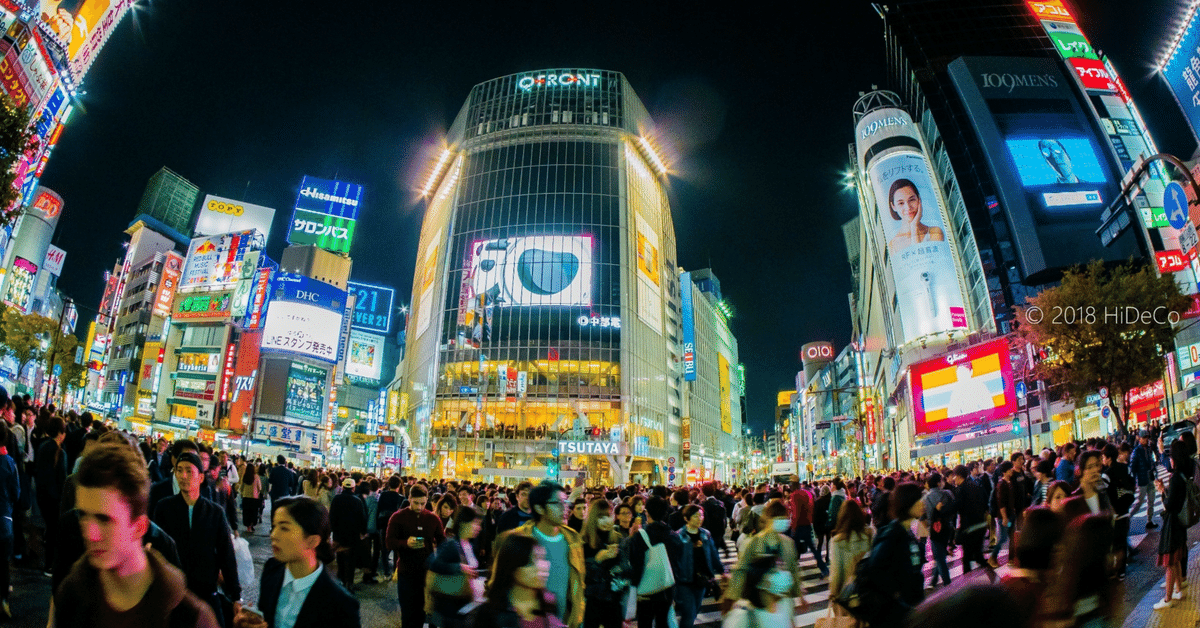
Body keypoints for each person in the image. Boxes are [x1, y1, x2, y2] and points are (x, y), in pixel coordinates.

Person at [54, 442, 219, 627]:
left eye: (105, 520)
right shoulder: (72, 597)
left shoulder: (189, 617)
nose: (90, 534)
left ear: (139, 527)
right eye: (83, 515)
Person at [231, 496, 361, 628]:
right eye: (274, 526)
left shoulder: (342, 604)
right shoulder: (273, 568)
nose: (273, 535)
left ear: (312, 541)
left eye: (284, 528)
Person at [153, 451, 241, 626]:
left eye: (189, 471)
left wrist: (235, 595)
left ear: (201, 477)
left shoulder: (215, 512)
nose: (183, 476)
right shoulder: (164, 508)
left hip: (206, 594)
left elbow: (226, 555)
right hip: (173, 594)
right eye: (179, 470)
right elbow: (156, 550)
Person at [503, 481, 585, 627]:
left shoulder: (573, 539)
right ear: (539, 508)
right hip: (526, 620)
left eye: (566, 503)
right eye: (558, 503)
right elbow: (502, 579)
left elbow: (578, 582)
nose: (565, 508)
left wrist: (578, 617)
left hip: (563, 620)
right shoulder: (521, 538)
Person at [723, 500, 808, 611]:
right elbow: (741, 570)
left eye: (785, 518)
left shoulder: (788, 543)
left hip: (784, 601)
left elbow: (793, 569)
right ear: (768, 519)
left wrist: (800, 595)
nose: (784, 521)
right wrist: (732, 598)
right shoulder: (754, 542)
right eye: (779, 518)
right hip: (760, 602)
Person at [467, 533, 564, 628]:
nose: (543, 566)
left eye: (543, 558)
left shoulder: (549, 604)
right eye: (531, 562)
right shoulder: (491, 613)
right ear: (513, 567)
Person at [862, 482, 925, 628]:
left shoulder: (907, 532)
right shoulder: (892, 534)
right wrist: (899, 603)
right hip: (895, 617)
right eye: (918, 499)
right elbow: (876, 573)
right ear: (907, 503)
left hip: (909, 611)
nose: (922, 503)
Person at [387, 484, 445, 628]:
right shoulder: (398, 517)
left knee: (421, 613)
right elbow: (389, 542)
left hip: (426, 573)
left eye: (423, 503)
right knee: (407, 613)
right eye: (416, 503)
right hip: (406, 572)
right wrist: (406, 543)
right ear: (409, 498)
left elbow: (443, 541)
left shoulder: (432, 519)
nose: (419, 507)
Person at [427, 505, 486, 628]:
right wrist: (458, 567)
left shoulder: (470, 544)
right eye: (476, 524)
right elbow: (432, 562)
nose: (479, 528)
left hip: (464, 605)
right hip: (450, 608)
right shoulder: (452, 544)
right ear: (464, 523)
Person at [627, 496, 679, 628]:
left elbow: (636, 565)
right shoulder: (673, 535)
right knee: (663, 621)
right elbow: (676, 563)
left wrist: (634, 586)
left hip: (647, 588)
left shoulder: (641, 535)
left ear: (647, 512)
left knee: (645, 621)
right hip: (667, 586)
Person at [580, 498, 630, 628]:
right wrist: (597, 560)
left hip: (613, 599)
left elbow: (628, 569)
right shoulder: (584, 541)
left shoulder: (618, 538)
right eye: (601, 517)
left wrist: (619, 567)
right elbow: (581, 575)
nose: (606, 520)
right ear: (593, 518)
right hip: (592, 600)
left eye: (608, 516)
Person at [674, 504, 725, 628]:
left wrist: (721, 570)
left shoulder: (705, 534)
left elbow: (713, 554)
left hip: (702, 580)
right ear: (686, 518)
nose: (700, 518)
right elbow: (674, 560)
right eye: (696, 516)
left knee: (694, 611)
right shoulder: (679, 536)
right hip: (685, 581)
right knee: (689, 613)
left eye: (701, 515)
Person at [1154, 440, 1191, 610]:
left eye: (1170, 455)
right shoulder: (1184, 474)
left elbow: (1169, 505)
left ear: (1175, 457)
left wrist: (1162, 491)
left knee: (1170, 562)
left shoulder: (1176, 478)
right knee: (1176, 559)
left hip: (1173, 523)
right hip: (1180, 523)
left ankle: (1168, 599)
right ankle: (1178, 590)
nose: (1169, 459)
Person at [35, 415, 68, 575]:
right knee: (54, 531)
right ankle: (49, 565)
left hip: (42, 495)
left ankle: (46, 562)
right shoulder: (59, 453)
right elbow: (62, 479)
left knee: (50, 529)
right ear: (60, 433)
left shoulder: (43, 446)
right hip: (54, 499)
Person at [720, 556, 795, 628]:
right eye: (775, 571)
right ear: (761, 581)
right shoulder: (742, 616)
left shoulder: (784, 603)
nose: (783, 574)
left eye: (782, 568)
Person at [827, 497, 872, 616]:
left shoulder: (837, 541)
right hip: (867, 591)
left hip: (847, 594)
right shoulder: (869, 533)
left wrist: (834, 594)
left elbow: (836, 572)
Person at [886, 178, 944, 255]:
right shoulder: (892, 246)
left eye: (912, 200)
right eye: (901, 203)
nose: (908, 207)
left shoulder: (935, 232)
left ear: (919, 199)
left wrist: (914, 227)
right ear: (893, 206)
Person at [948, 465, 989, 573]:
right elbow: (985, 501)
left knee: (966, 559)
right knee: (978, 556)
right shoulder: (976, 485)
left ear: (958, 476)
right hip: (981, 524)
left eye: (954, 476)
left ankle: (968, 584)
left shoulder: (960, 490)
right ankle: (992, 578)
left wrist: (941, 511)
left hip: (970, 528)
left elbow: (955, 507)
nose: (953, 479)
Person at [330, 477, 368, 591]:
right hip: (353, 535)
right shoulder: (357, 501)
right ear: (353, 488)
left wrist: (332, 531)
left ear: (343, 487)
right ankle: (349, 583)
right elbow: (362, 518)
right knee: (351, 560)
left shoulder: (336, 499)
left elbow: (331, 516)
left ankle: (340, 582)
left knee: (340, 558)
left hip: (338, 533)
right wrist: (363, 532)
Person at [922, 472, 954, 587]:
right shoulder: (947, 493)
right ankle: (934, 579)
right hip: (948, 527)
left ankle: (947, 583)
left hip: (935, 529)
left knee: (939, 557)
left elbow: (922, 516)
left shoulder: (926, 497)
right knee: (940, 555)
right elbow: (954, 508)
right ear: (938, 482)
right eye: (942, 480)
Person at [0, 423, 16, 618]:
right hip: (4, 520)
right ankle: (3, 600)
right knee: (3, 563)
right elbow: (16, 492)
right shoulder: (9, 463)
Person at [1130, 431, 1159, 529]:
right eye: (1144, 437)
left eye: (1147, 437)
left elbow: (1151, 461)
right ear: (1139, 438)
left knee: (1151, 501)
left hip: (1150, 477)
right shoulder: (1136, 451)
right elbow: (1132, 467)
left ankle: (1149, 521)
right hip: (1142, 479)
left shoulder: (1149, 448)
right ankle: (1128, 518)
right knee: (1139, 502)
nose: (1146, 439)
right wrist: (1133, 481)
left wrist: (1155, 470)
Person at [240, 465, 263, 534]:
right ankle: (251, 525)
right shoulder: (256, 477)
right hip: (254, 498)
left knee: (246, 513)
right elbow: (260, 488)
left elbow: (241, 488)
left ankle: (248, 527)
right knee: (253, 513)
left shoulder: (245, 476)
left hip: (246, 497)